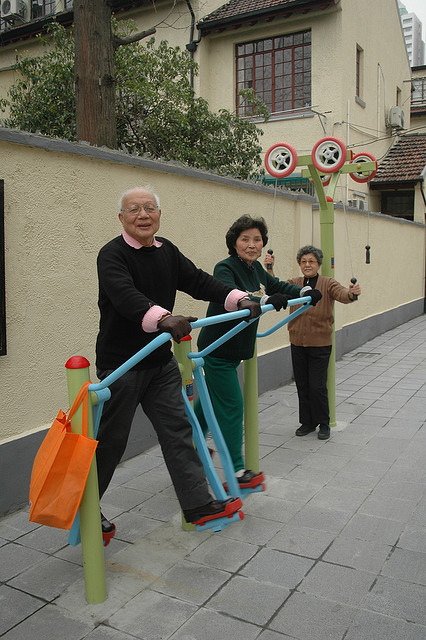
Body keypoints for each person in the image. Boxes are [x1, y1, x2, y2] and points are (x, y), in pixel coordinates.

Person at [95, 186, 262, 532]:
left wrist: (239, 298)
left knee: (179, 431)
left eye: (150, 208)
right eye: (134, 209)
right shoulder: (111, 255)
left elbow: (199, 281)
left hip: (159, 363)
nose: (143, 215)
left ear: (159, 214)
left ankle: (198, 504)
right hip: (122, 365)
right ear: (121, 218)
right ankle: (85, 507)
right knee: (111, 442)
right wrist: (163, 318)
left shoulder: (166, 250)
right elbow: (126, 296)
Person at [195, 216, 322, 487]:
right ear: (234, 243)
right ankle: (236, 471)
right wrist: (264, 299)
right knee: (232, 405)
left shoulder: (256, 270)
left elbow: (278, 287)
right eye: (245, 239)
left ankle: (186, 446)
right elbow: (232, 293)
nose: (252, 245)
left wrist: (305, 290)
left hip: (235, 349)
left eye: (257, 240)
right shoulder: (225, 267)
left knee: (208, 404)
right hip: (217, 348)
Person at [266, 245, 361, 440]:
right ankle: (307, 422)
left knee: (317, 386)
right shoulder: (294, 283)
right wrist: (269, 268)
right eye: (303, 261)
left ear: (318, 264)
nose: (307, 265)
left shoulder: (327, 283)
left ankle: (324, 423)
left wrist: (352, 293)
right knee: (302, 384)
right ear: (300, 264)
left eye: (311, 261)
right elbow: (274, 287)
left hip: (320, 344)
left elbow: (343, 294)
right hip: (297, 342)